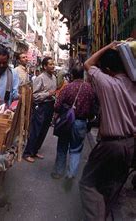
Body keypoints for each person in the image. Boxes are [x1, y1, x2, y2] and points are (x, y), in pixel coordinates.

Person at [80, 40, 135, 220]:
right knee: (113, 186)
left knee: (88, 184)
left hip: (111, 146)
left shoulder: (108, 83)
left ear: (109, 70)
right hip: (131, 145)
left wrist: (110, 44)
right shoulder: (133, 85)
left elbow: (88, 64)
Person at [52, 64, 96, 180]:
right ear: (83, 75)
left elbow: (57, 106)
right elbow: (93, 109)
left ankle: (58, 172)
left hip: (66, 122)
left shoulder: (67, 87)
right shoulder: (89, 89)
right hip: (81, 123)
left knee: (62, 147)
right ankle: (71, 175)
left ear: (72, 75)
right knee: (75, 150)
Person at [23, 57, 57, 163]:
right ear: (44, 66)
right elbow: (34, 95)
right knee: (36, 130)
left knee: (44, 130)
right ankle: (27, 153)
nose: (52, 66)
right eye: (50, 64)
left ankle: (35, 150)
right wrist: (48, 94)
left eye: (53, 64)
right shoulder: (40, 78)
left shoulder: (54, 77)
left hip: (50, 106)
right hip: (41, 106)